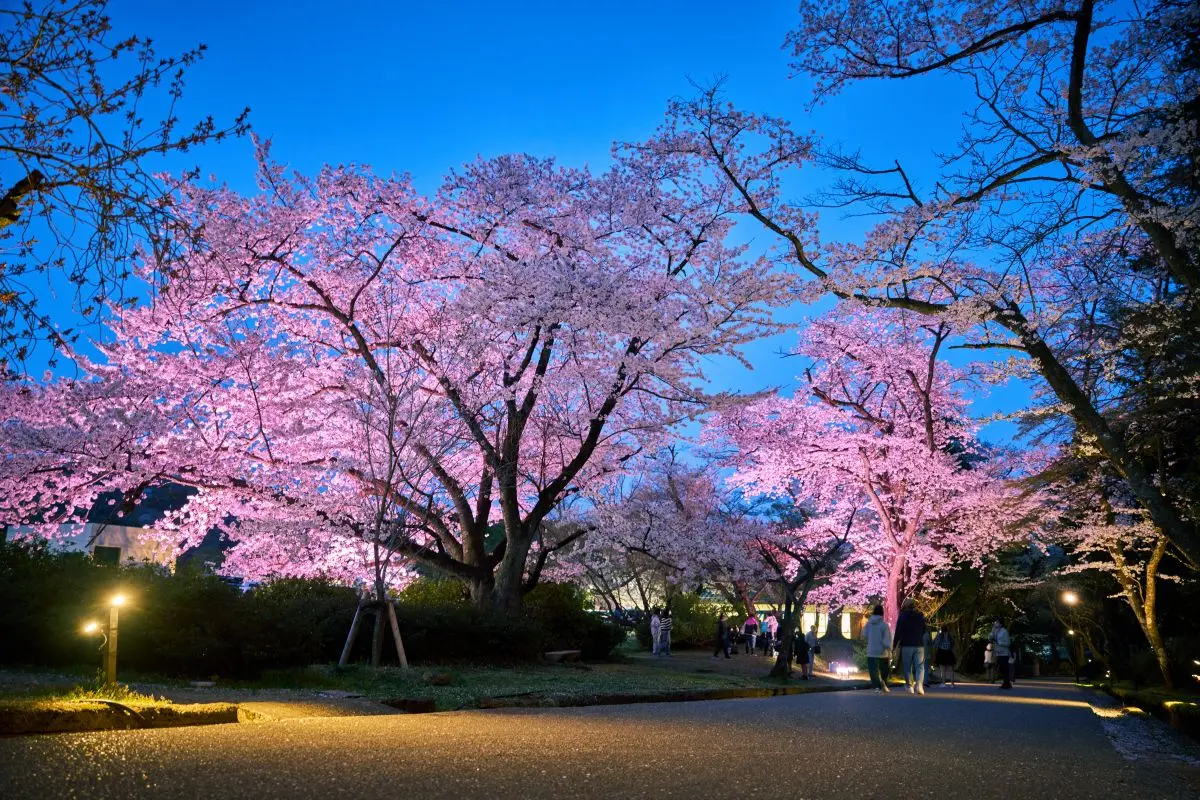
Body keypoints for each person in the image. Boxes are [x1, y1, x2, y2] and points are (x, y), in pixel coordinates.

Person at [892, 598, 928, 695]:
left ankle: (909, 686)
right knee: (920, 666)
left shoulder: (902, 616)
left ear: (905, 605)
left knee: (907, 666)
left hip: (907, 644)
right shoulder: (920, 616)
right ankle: (919, 686)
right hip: (919, 644)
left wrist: (894, 645)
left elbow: (898, 632)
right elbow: (924, 630)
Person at [862, 604, 892, 693]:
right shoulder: (884, 625)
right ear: (882, 613)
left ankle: (876, 686)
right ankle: (884, 684)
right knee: (884, 669)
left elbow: (864, 634)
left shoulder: (868, 624)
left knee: (873, 670)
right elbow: (887, 639)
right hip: (883, 651)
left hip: (871, 650)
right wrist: (889, 648)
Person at [990, 618, 1012, 690]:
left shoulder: (1004, 631)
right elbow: (990, 638)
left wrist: (999, 643)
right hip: (997, 652)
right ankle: (1006, 683)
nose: (995, 624)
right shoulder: (994, 630)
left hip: (1004, 652)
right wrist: (991, 635)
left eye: (997, 622)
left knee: (1005, 668)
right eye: (995, 622)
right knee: (1001, 668)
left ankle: (1006, 683)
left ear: (1000, 624)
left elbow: (1008, 643)